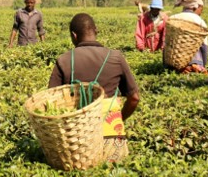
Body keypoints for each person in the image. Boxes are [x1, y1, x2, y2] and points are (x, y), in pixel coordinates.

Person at [49, 13, 140, 162]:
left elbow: (51, 102)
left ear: (74, 35)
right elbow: (134, 98)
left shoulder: (64, 60)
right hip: (111, 136)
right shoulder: (116, 57)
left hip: (77, 140)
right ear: (96, 31)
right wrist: (119, 118)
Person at [169, 0, 208, 74]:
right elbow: (204, 46)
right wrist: (203, 64)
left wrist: (166, 65)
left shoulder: (173, 18)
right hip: (195, 64)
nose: (201, 12)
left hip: (175, 63)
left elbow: (167, 43)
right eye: (201, 9)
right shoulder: (199, 21)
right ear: (195, 7)